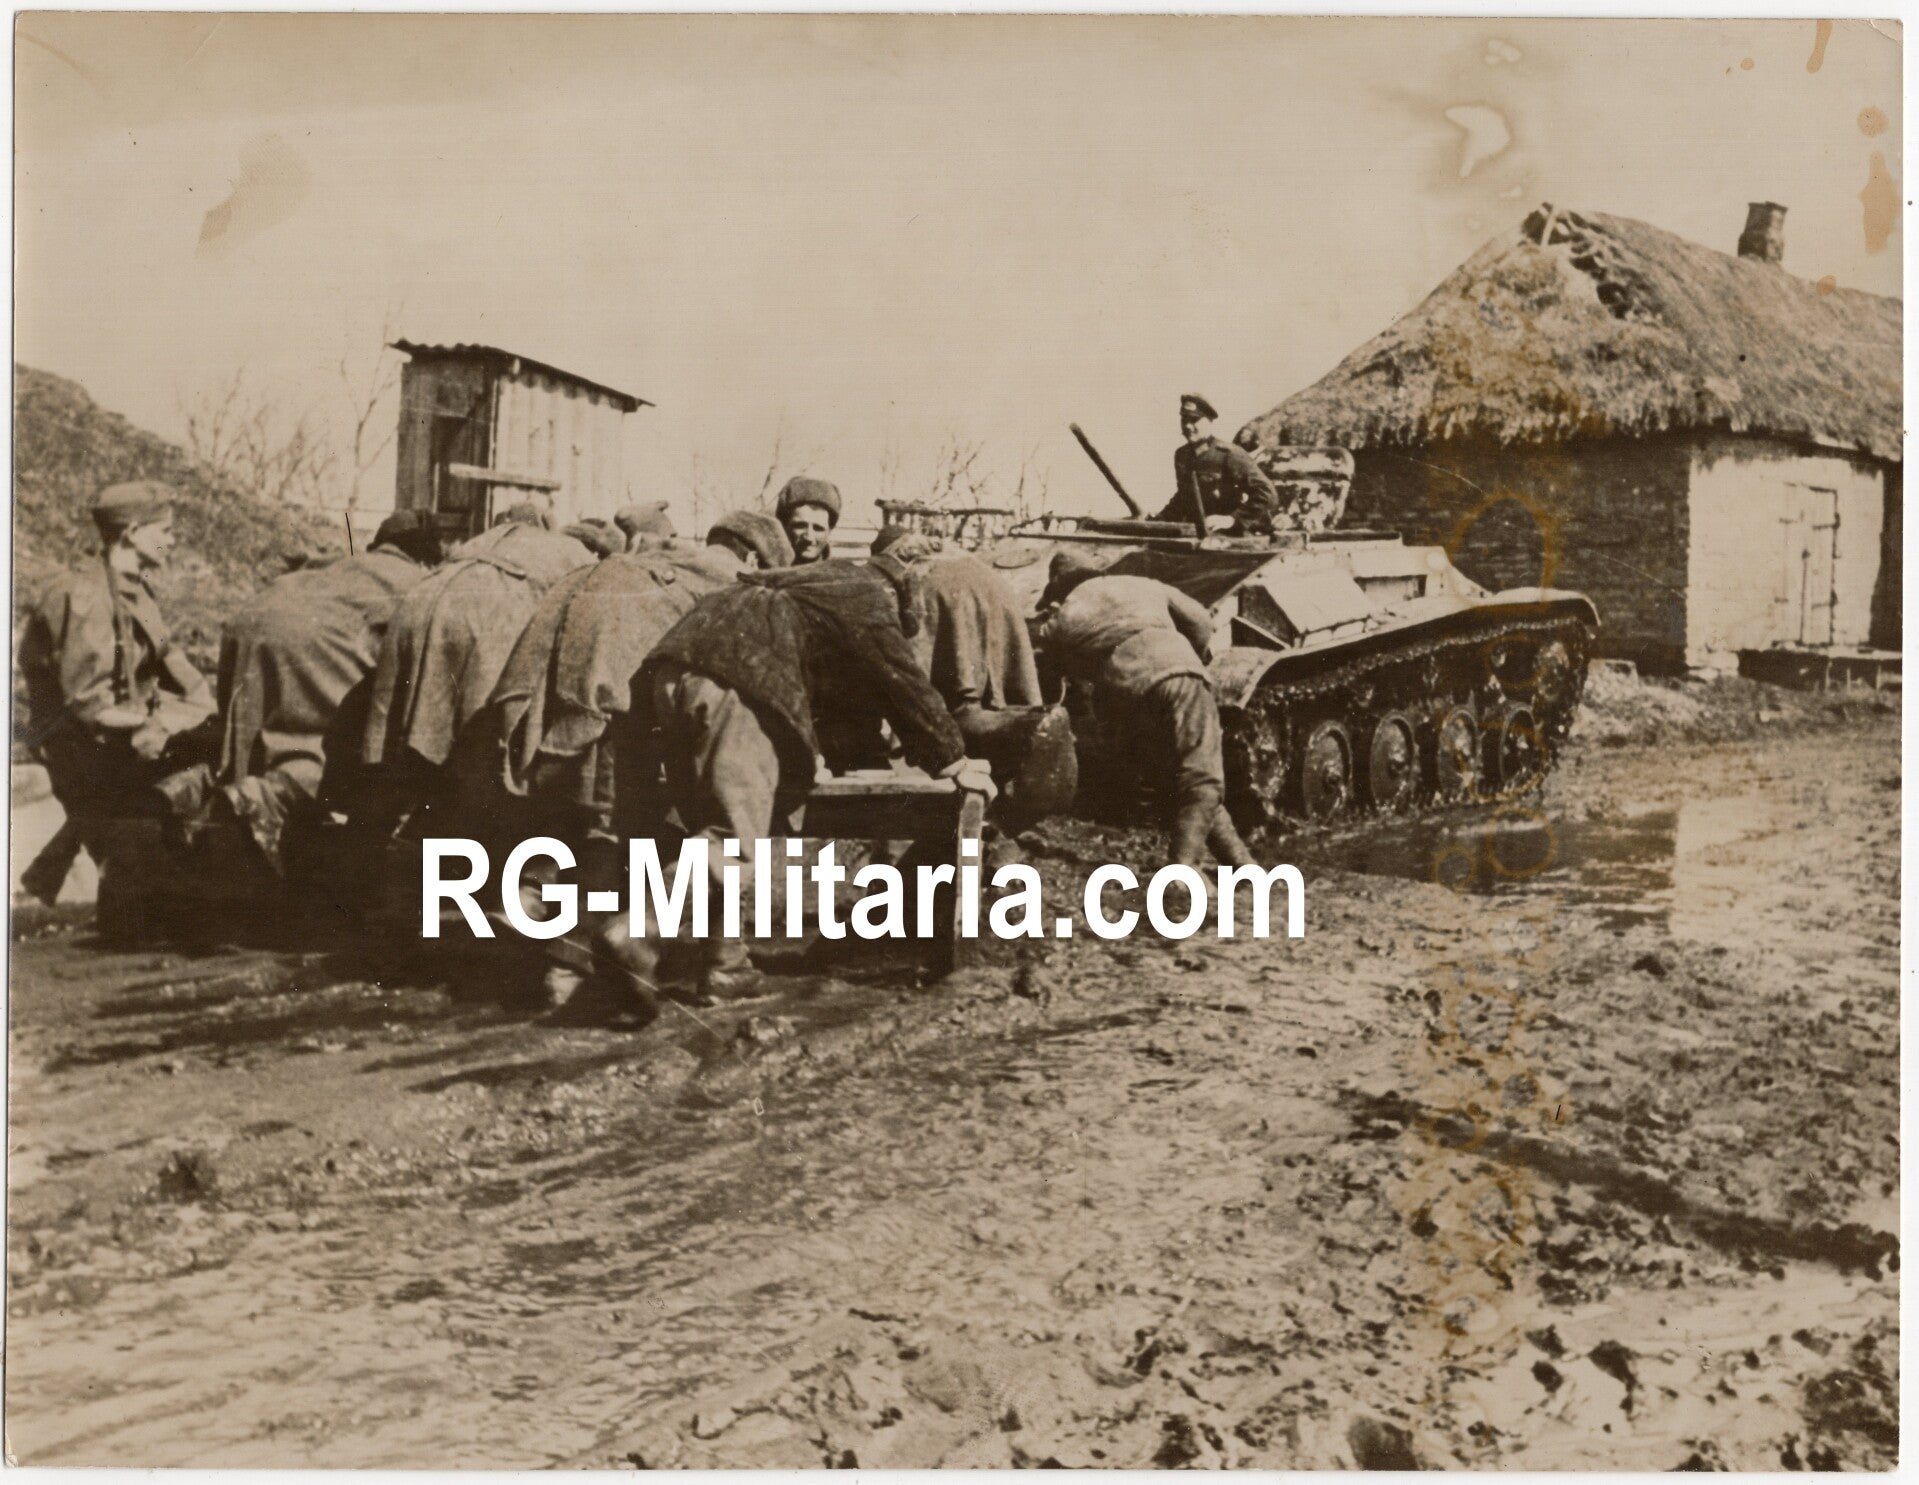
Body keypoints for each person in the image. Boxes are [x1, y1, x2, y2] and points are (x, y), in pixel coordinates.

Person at [595, 552, 990, 1007]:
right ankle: (639, 929)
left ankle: (726, 965)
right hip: (735, 688)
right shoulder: (866, 591)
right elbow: (900, 679)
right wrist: (953, 760)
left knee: (717, 828)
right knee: (732, 839)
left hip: (670, 682)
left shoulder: (802, 586)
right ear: (900, 592)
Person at [470, 510, 793, 850]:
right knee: (608, 824)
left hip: (546, 687)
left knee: (560, 812)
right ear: (754, 559)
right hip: (610, 694)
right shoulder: (731, 582)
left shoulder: (663, 560)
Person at [207, 509, 443, 869]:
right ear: (427, 557)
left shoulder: (342, 566)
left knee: (262, 742)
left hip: (251, 624)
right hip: (313, 641)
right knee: (342, 748)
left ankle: (204, 787)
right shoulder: (422, 582)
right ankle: (273, 795)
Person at [18, 482, 217, 905]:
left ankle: (80, 854)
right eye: (165, 530)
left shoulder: (135, 589)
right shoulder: (86, 596)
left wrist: (208, 711)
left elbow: (170, 658)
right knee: (142, 876)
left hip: (116, 742)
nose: (172, 540)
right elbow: (89, 706)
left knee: (208, 753)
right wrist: (159, 726)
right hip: (80, 750)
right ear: (132, 533)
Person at [359, 506, 594, 830]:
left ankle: (387, 826)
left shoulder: (485, 540)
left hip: (419, 601)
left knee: (405, 730)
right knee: (478, 741)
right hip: (486, 609)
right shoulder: (570, 550)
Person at [1034, 550, 1253, 872]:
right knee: (1202, 778)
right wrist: (1188, 652)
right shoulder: (1142, 584)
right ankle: (1183, 871)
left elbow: (1049, 658)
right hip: (1178, 675)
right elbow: (1201, 621)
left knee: (1177, 777)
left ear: (1057, 585)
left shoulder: (1065, 614)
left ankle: (1242, 863)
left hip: (1122, 694)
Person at [1151, 393, 1279, 535]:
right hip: (1195, 534)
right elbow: (1184, 498)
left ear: (1209, 421)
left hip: (1227, 536)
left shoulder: (1229, 454)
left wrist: (1231, 519)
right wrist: (1160, 518)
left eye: (1194, 420)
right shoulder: (1182, 455)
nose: (1187, 426)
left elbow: (1268, 494)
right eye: (1184, 420)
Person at [774, 475, 840, 565]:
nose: (809, 537)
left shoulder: (841, 573)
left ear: (829, 531)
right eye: (800, 526)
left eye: (818, 528)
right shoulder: (762, 570)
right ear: (784, 526)